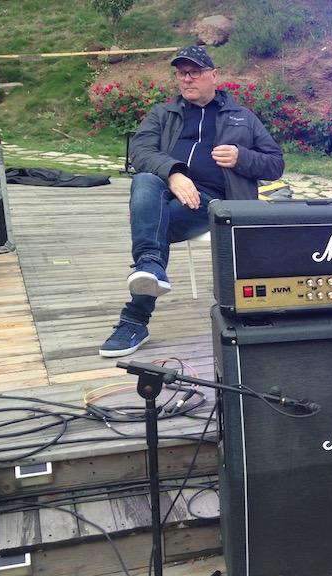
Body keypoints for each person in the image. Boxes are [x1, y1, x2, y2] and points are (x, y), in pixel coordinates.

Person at [99, 45, 284, 357]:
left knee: (151, 222)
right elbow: (140, 152)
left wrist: (241, 157)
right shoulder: (164, 114)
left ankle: (135, 318)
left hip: (214, 202)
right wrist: (174, 173)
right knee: (145, 181)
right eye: (181, 73)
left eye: (194, 72)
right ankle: (149, 268)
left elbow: (275, 163)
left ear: (214, 76)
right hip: (166, 191)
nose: (186, 79)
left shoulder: (242, 117)